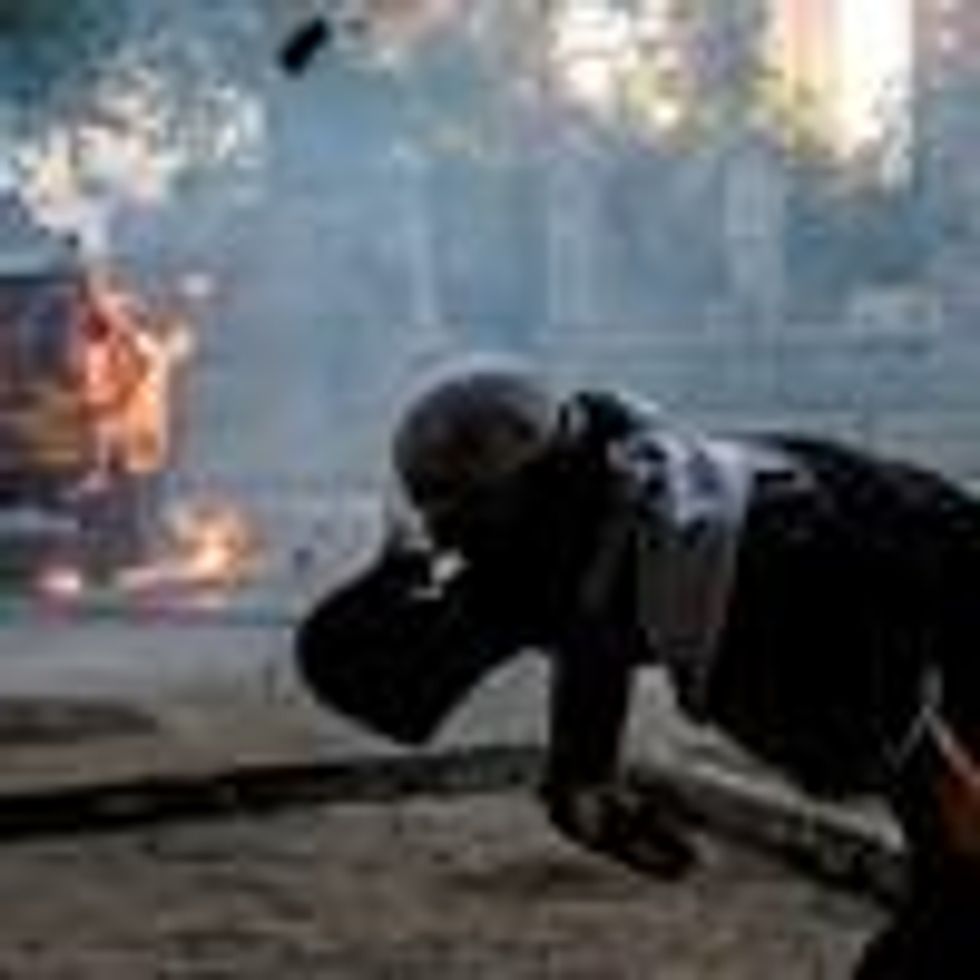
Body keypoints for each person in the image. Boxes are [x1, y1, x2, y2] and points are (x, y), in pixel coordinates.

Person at [295, 360, 979, 978]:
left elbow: (935, 785)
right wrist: (579, 775)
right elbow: (592, 626)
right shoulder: (613, 508)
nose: (467, 571)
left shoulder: (739, 579)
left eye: (474, 538)